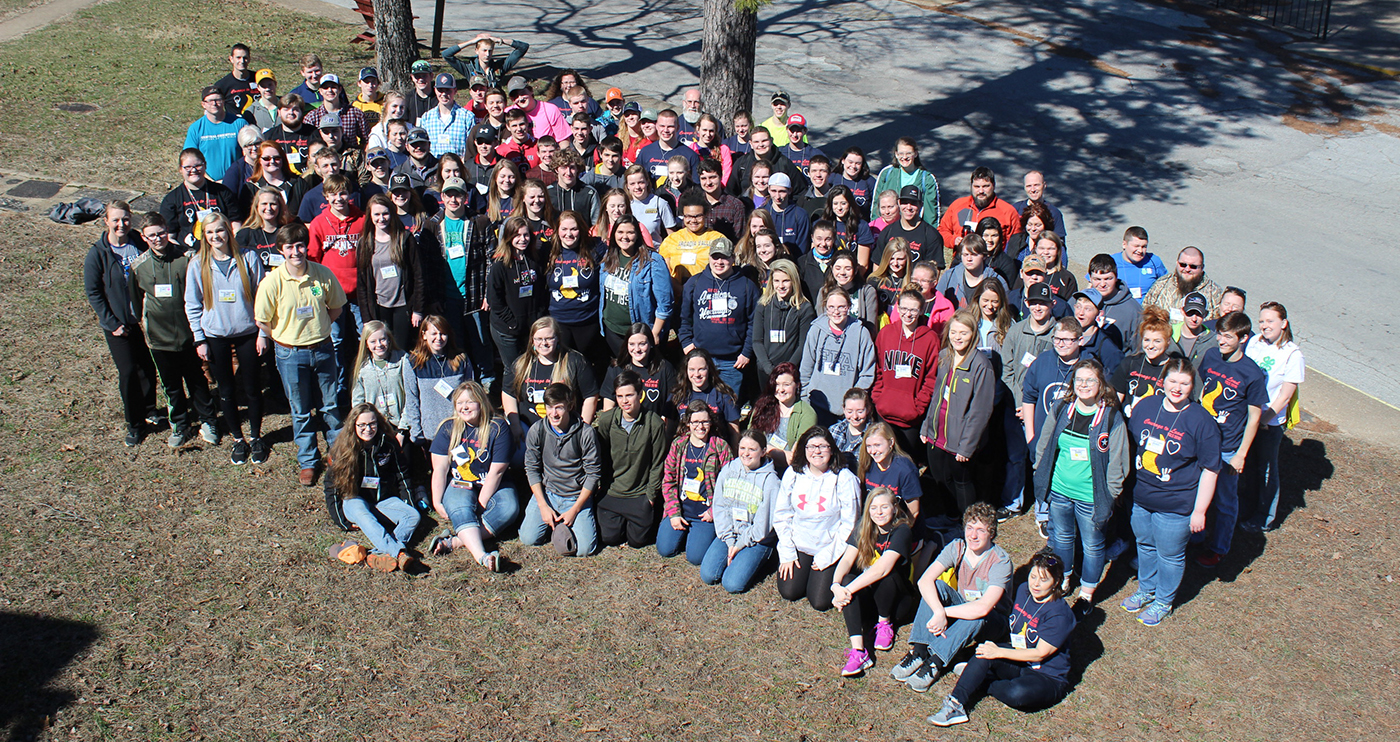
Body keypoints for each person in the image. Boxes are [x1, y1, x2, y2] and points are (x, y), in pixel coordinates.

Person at [1121, 357, 1222, 626]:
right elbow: (1131, 444)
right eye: (1173, 381)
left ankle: (1163, 601)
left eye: (1184, 383)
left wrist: (1199, 511)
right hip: (1142, 498)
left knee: (1170, 555)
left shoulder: (1201, 421)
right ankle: (1146, 589)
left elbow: (1211, 470)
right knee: (1144, 545)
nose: (1177, 388)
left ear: (1193, 386)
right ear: (1163, 381)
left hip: (1177, 504)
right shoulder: (1146, 406)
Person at [926, 552, 1076, 726]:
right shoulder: (1023, 590)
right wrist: (995, 650)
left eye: (1043, 580)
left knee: (1017, 694)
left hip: (1045, 675)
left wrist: (999, 651)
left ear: (1056, 582)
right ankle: (955, 704)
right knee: (984, 652)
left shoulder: (1059, 614)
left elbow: (1039, 654)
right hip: (1018, 657)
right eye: (1033, 576)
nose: (1035, 584)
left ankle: (980, 680)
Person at [253, 223, 347, 486]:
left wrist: (319, 328)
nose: (296, 252)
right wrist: (286, 338)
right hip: (290, 354)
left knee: (329, 405)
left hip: (323, 349)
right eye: (290, 247)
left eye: (300, 245)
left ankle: (337, 454)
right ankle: (308, 460)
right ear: (281, 250)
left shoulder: (322, 274)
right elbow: (263, 321)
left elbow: (336, 307)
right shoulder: (272, 282)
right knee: (301, 410)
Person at [1033, 359, 1129, 611]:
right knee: (1062, 537)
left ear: (1101, 384)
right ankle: (1064, 578)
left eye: (1090, 380)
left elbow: (1119, 461)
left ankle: (1086, 592)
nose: (1084, 385)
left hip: (1091, 497)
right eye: (1079, 380)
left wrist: (1111, 494)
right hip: (1060, 490)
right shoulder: (1062, 408)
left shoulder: (1111, 417)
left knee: (1093, 545)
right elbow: (1044, 444)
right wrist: (1040, 472)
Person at [890, 503, 1012, 692]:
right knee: (937, 586)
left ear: (991, 533)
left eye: (981, 530)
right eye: (970, 528)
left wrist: (942, 612)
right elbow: (925, 581)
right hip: (962, 608)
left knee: (977, 613)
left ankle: (935, 663)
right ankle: (919, 651)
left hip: (993, 621)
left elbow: (984, 607)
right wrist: (938, 610)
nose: (973, 535)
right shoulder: (957, 547)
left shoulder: (1000, 561)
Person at [184, 211, 270, 463]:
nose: (215, 236)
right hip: (215, 336)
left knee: (253, 388)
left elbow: (263, 298)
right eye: (209, 232)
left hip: (248, 333)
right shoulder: (198, 264)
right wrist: (199, 338)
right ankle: (237, 439)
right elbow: (192, 303)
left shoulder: (248, 258)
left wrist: (263, 333)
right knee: (225, 390)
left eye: (219, 230)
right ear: (205, 237)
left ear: (228, 231)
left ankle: (255, 437)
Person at [129, 212, 218, 448]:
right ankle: (180, 425)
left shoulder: (186, 259)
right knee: (172, 386)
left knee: (197, 381)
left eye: (161, 233)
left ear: (167, 230)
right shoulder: (139, 267)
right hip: (159, 339)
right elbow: (137, 301)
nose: (158, 239)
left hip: (189, 335)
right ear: (143, 237)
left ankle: (209, 421)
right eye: (152, 236)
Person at [1195, 311, 1268, 566]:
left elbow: (1254, 417)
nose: (1221, 340)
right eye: (1219, 334)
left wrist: (1241, 454)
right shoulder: (1212, 356)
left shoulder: (1252, 374)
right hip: (1201, 441)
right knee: (1196, 493)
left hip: (1228, 448)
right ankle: (1195, 538)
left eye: (1227, 336)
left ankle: (1219, 547)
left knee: (1225, 501)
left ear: (1244, 338)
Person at [85, 202, 160, 446]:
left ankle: (150, 410)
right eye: (116, 220)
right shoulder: (98, 253)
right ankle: (134, 423)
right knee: (128, 372)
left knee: (148, 368)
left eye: (126, 219)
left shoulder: (138, 243)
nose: (121, 225)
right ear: (106, 221)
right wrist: (111, 322)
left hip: (144, 318)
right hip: (119, 324)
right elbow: (93, 292)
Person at [325, 403, 423, 573]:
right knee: (364, 515)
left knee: (413, 515)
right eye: (362, 425)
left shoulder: (388, 444)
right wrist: (341, 520)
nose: (368, 429)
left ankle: (377, 554)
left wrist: (408, 502)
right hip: (354, 500)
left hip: (382, 500)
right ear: (353, 425)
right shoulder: (342, 449)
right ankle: (399, 553)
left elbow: (402, 475)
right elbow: (330, 487)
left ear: (378, 422)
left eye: (372, 423)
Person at [831, 487, 919, 676]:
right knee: (847, 578)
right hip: (871, 596)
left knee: (886, 573)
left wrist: (846, 592)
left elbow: (882, 569)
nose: (878, 512)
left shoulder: (902, 530)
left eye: (884, 507)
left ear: (895, 508)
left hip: (897, 602)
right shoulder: (864, 526)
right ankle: (859, 652)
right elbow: (847, 559)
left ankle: (885, 623)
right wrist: (836, 585)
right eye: (873, 508)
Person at [773, 426, 862, 611]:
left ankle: (842, 571)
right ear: (804, 450)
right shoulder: (793, 473)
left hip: (829, 545)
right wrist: (788, 551)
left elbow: (850, 524)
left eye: (823, 446)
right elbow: (782, 514)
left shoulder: (844, 479)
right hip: (799, 543)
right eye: (811, 447)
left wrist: (829, 554)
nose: (817, 451)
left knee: (820, 601)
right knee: (790, 591)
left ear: (832, 449)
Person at [429, 381, 518, 563]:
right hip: (460, 484)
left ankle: (455, 540)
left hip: (494, 485)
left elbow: (496, 473)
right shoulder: (448, 428)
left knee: (509, 508)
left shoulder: (498, 428)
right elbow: (439, 468)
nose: (465, 407)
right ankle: (482, 556)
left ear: (481, 402)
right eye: (460, 403)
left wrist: (480, 504)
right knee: (459, 506)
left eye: (470, 402)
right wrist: (437, 501)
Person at [921, 310, 996, 516]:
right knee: (939, 478)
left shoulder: (981, 366)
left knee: (960, 480)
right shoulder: (945, 356)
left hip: (961, 436)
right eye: (954, 332)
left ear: (973, 334)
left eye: (963, 333)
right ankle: (951, 516)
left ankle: (967, 522)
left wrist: (967, 446)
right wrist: (927, 426)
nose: (958, 337)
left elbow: (980, 411)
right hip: (938, 431)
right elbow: (936, 396)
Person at [1239, 302, 1304, 534]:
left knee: (1265, 469)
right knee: (1247, 465)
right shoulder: (1254, 343)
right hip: (1248, 417)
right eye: (1262, 321)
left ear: (1284, 323)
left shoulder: (1291, 353)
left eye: (1270, 321)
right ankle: (1246, 507)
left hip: (1269, 424)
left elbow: (1285, 395)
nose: (1264, 326)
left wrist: (1264, 419)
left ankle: (1264, 516)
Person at [425, 177, 496, 382]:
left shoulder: (480, 222)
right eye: (449, 194)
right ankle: (461, 384)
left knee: (481, 344)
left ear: (466, 197)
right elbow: (428, 266)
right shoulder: (432, 224)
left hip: (475, 297)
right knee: (455, 345)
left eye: (458, 194)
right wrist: (433, 299)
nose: (453, 199)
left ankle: (487, 385)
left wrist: (487, 295)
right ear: (442, 197)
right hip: (446, 298)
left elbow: (491, 259)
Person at [522, 383, 602, 556]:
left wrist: (575, 509)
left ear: (570, 406)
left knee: (585, 550)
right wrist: (542, 505)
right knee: (528, 539)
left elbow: (593, 474)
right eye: (549, 407)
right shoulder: (537, 430)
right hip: (548, 493)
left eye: (559, 408)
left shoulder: (585, 433)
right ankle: (556, 523)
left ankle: (564, 523)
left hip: (575, 496)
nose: (554, 413)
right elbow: (531, 468)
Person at [307, 173, 366, 400]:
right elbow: (312, 261)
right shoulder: (319, 223)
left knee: (364, 338)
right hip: (331, 294)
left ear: (350, 194)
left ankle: (364, 382)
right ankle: (339, 389)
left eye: (343, 193)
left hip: (358, 292)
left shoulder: (360, 219)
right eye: (333, 194)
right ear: (325, 196)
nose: (339, 198)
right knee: (336, 341)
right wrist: (317, 294)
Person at [593, 370, 669, 548]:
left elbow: (658, 463)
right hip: (612, 491)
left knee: (638, 541)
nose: (624, 401)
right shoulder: (607, 420)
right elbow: (601, 455)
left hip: (639, 494)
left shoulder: (654, 423)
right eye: (620, 396)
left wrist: (650, 497)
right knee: (610, 539)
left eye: (629, 395)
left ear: (640, 395)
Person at [679, 236, 760, 395]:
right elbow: (684, 319)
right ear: (709, 257)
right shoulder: (695, 283)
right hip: (701, 359)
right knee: (700, 406)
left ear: (733, 258)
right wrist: (686, 343)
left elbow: (754, 323)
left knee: (729, 406)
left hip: (732, 361)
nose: (719, 262)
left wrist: (746, 352)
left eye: (724, 257)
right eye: (715, 257)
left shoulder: (747, 286)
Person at [658, 401, 736, 563]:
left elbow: (731, 484)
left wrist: (714, 511)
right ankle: (685, 532)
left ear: (711, 422)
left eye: (705, 422)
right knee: (664, 549)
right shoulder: (678, 445)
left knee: (695, 557)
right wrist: (673, 513)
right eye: (695, 422)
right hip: (681, 508)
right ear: (688, 423)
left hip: (705, 513)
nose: (700, 426)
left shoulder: (720, 447)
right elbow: (668, 480)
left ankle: (702, 535)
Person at [704, 429, 780, 592]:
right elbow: (720, 507)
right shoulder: (729, 469)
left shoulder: (771, 481)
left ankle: (765, 558)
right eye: (742, 448)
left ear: (763, 452)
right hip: (731, 532)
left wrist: (739, 545)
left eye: (752, 449)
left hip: (756, 540)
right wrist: (730, 541)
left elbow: (762, 526)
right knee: (708, 575)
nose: (746, 453)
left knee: (732, 584)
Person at [504, 317, 599, 441]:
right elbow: (508, 394)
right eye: (539, 339)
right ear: (532, 340)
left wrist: (582, 429)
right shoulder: (521, 364)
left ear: (558, 338)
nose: (544, 343)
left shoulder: (574, 361)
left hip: (565, 429)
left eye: (549, 338)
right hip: (528, 429)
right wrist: (515, 425)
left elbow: (591, 396)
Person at [872, 289, 940, 463]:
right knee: (883, 461)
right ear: (897, 307)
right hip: (885, 411)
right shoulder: (886, 333)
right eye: (904, 308)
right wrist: (879, 397)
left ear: (921, 310)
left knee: (907, 463)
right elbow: (878, 368)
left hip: (911, 417)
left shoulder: (930, 339)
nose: (908, 314)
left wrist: (918, 406)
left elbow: (931, 378)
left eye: (913, 310)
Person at [355, 194, 423, 351]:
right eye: (376, 214)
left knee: (402, 348)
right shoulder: (364, 243)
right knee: (382, 349)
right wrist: (366, 318)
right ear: (370, 216)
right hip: (379, 305)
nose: (381, 218)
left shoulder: (404, 239)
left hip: (403, 305)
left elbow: (418, 275)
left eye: (385, 213)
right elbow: (362, 283)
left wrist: (417, 309)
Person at [800, 288, 876, 425]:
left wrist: (853, 403)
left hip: (847, 411)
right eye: (831, 307)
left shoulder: (861, 333)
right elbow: (806, 367)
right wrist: (805, 398)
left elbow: (867, 373)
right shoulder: (816, 330)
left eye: (841, 307)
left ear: (849, 307)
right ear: (825, 308)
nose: (836, 312)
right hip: (817, 405)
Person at [600, 215, 673, 350]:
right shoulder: (608, 257)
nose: (625, 237)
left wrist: (655, 333)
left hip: (640, 334)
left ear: (638, 234)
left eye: (630, 232)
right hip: (612, 330)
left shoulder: (653, 261)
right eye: (620, 232)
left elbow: (665, 303)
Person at [485, 215, 546, 369]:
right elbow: (494, 299)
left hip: (530, 327)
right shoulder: (500, 265)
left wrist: (537, 317)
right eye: (517, 235)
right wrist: (512, 322)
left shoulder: (535, 260)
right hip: (507, 329)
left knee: (531, 367)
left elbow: (541, 291)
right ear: (508, 237)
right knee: (513, 369)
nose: (522, 239)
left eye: (526, 234)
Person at [752, 259, 817, 386]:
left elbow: (802, 345)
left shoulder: (804, 308)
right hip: (765, 371)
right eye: (777, 281)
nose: (781, 286)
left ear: (794, 281)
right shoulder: (763, 305)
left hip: (790, 372)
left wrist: (787, 371)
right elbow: (757, 341)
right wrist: (769, 368)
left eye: (786, 281)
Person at [160, 149, 241, 251]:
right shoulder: (172, 199)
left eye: (198, 165)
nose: (193, 170)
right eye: (188, 167)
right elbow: (169, 237)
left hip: (222, 249)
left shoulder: (222, 192)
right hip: (189, 254)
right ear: (180, 169)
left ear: (205, 165)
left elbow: (235, 224)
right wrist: (183, 255)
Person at [936, 167, 1022, 256]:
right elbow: (942, 231)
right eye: (977, 186)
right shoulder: (957, 206)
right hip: (963, 262)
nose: (981, 191)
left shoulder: (1008, 211)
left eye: (986, 186)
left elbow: (1016, 243)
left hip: (994, 264)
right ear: (971, 186)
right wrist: (953, 240)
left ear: (994, 186)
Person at [749, 363, 819, 469]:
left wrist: (763, 449)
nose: (781, 389)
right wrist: (778, 453)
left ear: (797, 385)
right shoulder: (762, 407)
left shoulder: (807, 414)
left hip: (788, 471)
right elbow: (749, 441)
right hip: (759, 465)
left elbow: (794, 457)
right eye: (777, 384)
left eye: (786, 384)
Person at [600, 324, 677, 421]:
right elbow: (608, 408)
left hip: (653, 428)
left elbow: (670, 409)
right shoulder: (617, 368)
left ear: (651, 344)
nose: (637, 349)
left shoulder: (664, 369)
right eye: (632, 344)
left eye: (642, 344)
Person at [1112, 306, 1178, 418]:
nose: (1151, 346)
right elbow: (1115, 399)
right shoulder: (1130, 363)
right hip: (1127, 425)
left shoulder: (1174, 369)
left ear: (1167, 342)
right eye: (1147, 340)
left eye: (1157, 341)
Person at [350, 320, 410, 438]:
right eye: (373, 341)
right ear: (366, 343)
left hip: (402, 426)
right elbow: (358, 402)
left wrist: (402, 429)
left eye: (382, 339)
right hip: (374, 428)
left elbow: (411, 396)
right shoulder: (362, 368)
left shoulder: (403, 360)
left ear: (389, 339)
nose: (379, 345)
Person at [670, 349, 741, 439]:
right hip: (684, 449)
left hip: (716, 449)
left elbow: (735, 432)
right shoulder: (678, 395)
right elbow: (668, 430)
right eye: (692, 369)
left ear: (709, 369)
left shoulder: (723, 395)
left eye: (701, 369)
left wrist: (733, 452)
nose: (696, 374)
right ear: (686, 371)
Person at [1143, 246, 1225, 322]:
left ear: (1202, 267)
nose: (1187, 269)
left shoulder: (1214, 293)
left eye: (1193, 266)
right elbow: (1145, 311)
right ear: (1177, 263)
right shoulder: (1161, 284)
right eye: (1183, 265)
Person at [658, 195, 727, 287]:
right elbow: (663, 272)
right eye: (688, 216)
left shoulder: (717, 238)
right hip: (678, 293)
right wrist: (679, 290)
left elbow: (726, 269)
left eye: (698, 216)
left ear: (705, 215)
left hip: (709, 290)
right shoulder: (671, 240)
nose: (693, 220)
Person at [185, 86, 248, 182]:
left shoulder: (239, 124)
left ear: (224, 101)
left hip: (238, 181)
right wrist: (208, 180)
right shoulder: (196, 129)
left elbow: (252, 154)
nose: (214, 104)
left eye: (218, 100)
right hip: (208, 183)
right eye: (210, 101)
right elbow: (189, 159)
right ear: (203, 104)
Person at [873, 138, 940, 227]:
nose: (904, 157)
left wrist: (930, 236)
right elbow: (876, 204)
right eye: (901, 154)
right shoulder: (886, 173)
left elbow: (931, 213)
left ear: (915, 154)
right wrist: (874, 230)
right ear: (896, 154)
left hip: (914, 229)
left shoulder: (927, 178)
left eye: (909, 153)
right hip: (887, 228)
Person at [873, 185, 944, 269]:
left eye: (913, 203)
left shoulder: (931, 235)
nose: (908, 207)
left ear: (921, 205)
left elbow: (934, 270)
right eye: (905, 202)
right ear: (899, 203)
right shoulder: (887, 232)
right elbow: (877, 265)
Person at [858, 422, 924, 512]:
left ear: (891, 442)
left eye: (877, 445)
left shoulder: (905, 470)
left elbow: (913, 511)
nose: (873, 451)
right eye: (869, 446)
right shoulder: (867, 464)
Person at [935, 235, 1008, 309]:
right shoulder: (949, 276)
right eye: (965, 255)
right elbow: (937, 305)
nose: (969, 259)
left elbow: (1005, 311)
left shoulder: (998, 281)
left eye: (974, 255)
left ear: (984, 256)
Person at [817, 249, 878, 332]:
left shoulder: (867, 292)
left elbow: (871, 327)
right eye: (838, 268)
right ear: (832, 268)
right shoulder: (824, 291)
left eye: (848, 269)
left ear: (856, 270)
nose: (842, 272)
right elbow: (821, 324)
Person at [442, 32, 529, 89]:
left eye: (490, 51)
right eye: (484, 50)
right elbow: (446, 54)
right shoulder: (469, 69)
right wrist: (471, 42)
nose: (487, 54)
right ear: (476, 50)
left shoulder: (499, 67)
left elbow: (523, 47)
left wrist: (500, 40)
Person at [1071, 287, 1125, 375]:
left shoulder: (1106, 347)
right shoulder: (1067, 337)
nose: (1081, 313)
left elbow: (1114, 378)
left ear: (1099, 313)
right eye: (1078, 307)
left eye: (1087, 309)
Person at [305, 75, 368, 149]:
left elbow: (366, 140)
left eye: (333, 87)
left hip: (350, 158)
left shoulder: (355, 113)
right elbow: (306, 143)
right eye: (325, 88)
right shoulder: (312, 117)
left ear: (340, 89)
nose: (330, 90)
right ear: (320, 91)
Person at [823, 186, 876, 268]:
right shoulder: (822, 224)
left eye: (843, 203)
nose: (839, 208)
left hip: (851, 273)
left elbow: (863, 264)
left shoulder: (861, 226)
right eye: (835, 204)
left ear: (850, 203)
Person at [1112, 226, 1168, 303]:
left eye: (1144, 246)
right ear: (1124, 244)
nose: (1140, 251)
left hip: (1147, 311)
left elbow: (1167, 284)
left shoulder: (1154, 261)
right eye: (1136, 246)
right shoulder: (1111, 262)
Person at [625, 164, 678, 246]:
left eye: (641, 182)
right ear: (627, 185)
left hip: (654, 253)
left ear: (647, 182)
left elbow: (672, 236)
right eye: (632, 184)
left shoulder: (660, 203)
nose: (637, 187)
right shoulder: (623, 204)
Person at [506, 75, 570, 142]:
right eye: (515, 96)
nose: (520, 98)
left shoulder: (550, 110)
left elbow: (564, 139)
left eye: (523, 93)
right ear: (511, 99)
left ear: (531, 90)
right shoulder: (508, 113)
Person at [760, 173, 811, 255]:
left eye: (782, 191)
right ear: (768, 189)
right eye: (773, 191)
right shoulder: (762, 213)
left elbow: (802, 248)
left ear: (790, 190)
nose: (777, 196)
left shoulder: (800, 215)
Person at [831, 388, 874, 469]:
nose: (855, 416)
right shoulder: (835, 430)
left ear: (868, 409)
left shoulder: (874, 434)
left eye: (860, 411)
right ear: (844, 409)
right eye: (850, 411)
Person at [911, 261, 956, 335]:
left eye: (924, 280)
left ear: (934, 283)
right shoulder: (903, 300)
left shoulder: (945, 306)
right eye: (915, 279)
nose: (919, 283)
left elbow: (946, 333)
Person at [212, 43, 256, 114]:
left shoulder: (259, 79)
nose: (242, 61)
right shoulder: (222, 85)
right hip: (235, 123)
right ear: (231, 59)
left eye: (245, 58)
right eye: (238, 57)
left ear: (249, 59)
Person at [1035, 232, 1076, 301]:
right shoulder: (1027, 274)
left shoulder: (1066, 278)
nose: (1045, 252)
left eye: (1051, 249)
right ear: (1035, 249)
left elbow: (1070, 306)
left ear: (1058, 251)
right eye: (1042, 248)